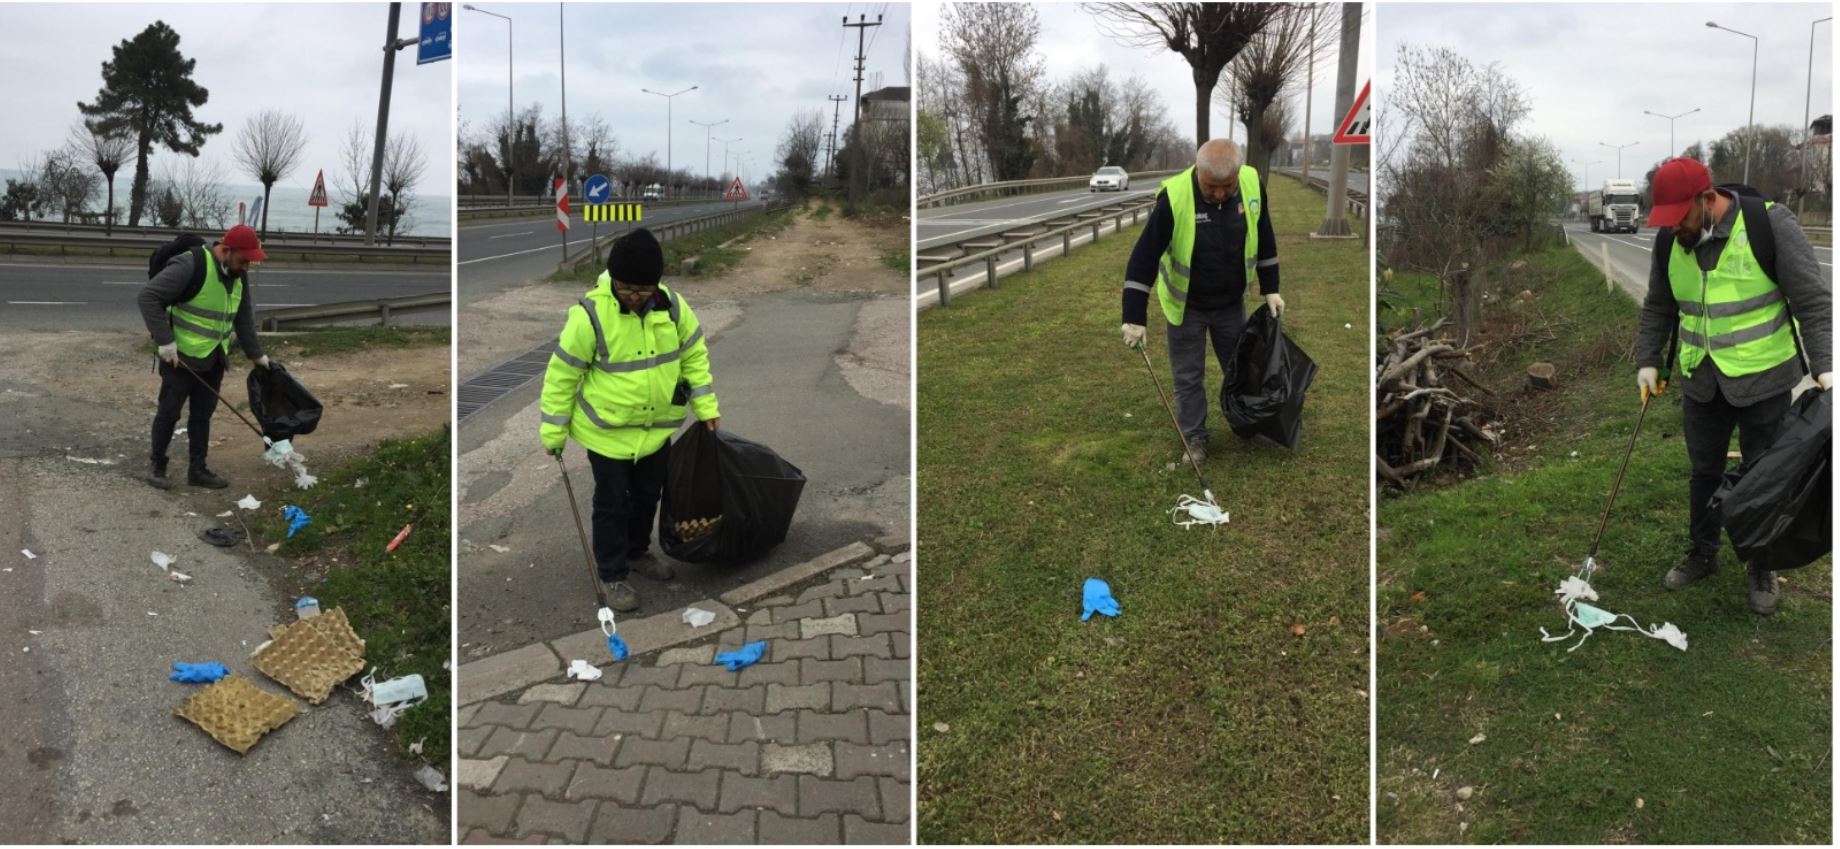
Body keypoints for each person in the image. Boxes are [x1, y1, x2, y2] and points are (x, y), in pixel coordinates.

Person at [1635, 157, 1832, 616]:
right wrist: (1648, 360)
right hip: (1702, 381)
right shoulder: (1671, 241)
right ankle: (1702, 553)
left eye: (1679, 218)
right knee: (1704, 473)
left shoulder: (1769, 226)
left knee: (1766, 478)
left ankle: (1762, 564)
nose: (1672, 229)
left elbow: (1813, 302)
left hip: (1765, 380)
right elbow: (1657, 306)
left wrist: (1825, 367)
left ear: (1707, 199)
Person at [540, 228, 720, 612]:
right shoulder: (589, 315)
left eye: (643, 291)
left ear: (656, 285)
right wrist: (553, 429)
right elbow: (562, 375)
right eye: (626, 289)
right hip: (607, 434)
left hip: (656, 431)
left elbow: (694, 358)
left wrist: (706, 408)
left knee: (647, 497)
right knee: (611, 505)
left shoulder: (672, 307)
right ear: (614, 281)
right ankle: (612, 573)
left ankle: (638, 553)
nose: (635, 298)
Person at [1119, 138, 1284, 465]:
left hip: (1230, 305)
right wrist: (1134, 316)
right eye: (1212, 187)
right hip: (1186, 308)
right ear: (1198, 173)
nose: (1220, 193)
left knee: (1240, 369)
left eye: (1227, 186)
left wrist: (1271, 287)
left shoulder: (1251, 184)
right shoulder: (1175, 198)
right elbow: (1143, 258)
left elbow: (1264, 235)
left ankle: (1249, 424)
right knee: (1188, 377)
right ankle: (1195, 437)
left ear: (1238, 174)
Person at [138, 223, 271, 490]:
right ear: (226, 250)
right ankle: (157, 465)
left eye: (249, 263)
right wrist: (165, 342)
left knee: (202, 415)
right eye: (243, 261)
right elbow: (148, 297)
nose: (245, 267)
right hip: (180, 357)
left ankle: (198, 469)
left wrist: (257, 356)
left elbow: (243, 317)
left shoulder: (238, 274)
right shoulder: (191, 265)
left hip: (213, 358)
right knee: (169, 412)